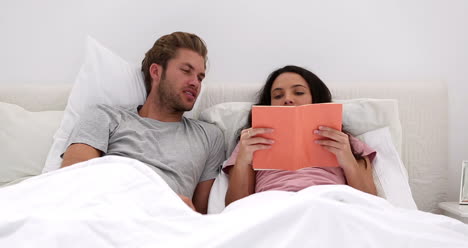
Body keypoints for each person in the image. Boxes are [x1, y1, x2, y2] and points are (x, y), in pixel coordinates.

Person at [61, 32, 225, 214]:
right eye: (186, 71)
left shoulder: (209, 136)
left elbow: (201, 215)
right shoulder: (104, 116)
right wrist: (154, 199)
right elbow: (71, 180)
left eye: (200, 77)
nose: (195, 82)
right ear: (156, 72)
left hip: (167, 226)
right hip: (104, 213)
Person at [224, 65, 377, 206]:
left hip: (328, 203)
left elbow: (371, 203)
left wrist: (347, 160)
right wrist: (243, 160)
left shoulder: (344, 140)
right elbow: (236, 206)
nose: (287, 99)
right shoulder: (251, 141)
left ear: (315, 98)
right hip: (273, 205)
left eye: (298, 92)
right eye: (277, 96)